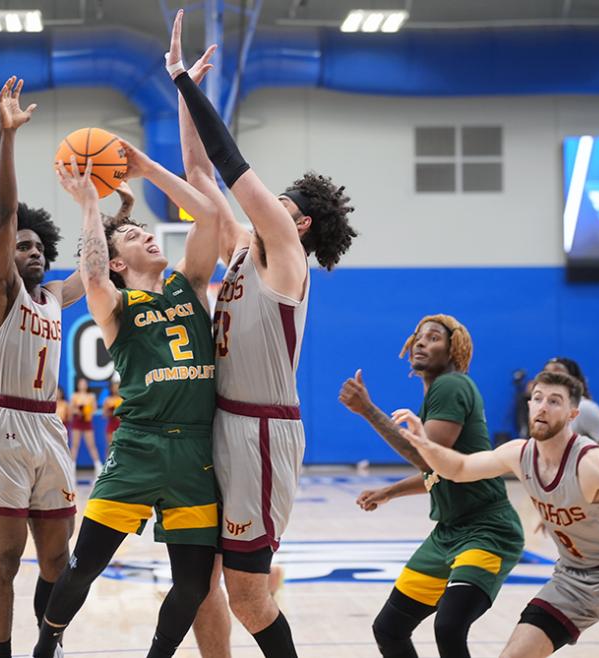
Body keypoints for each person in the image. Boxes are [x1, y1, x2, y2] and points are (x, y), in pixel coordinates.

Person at [166, 12, 357, 658]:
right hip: (221, 423)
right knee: (201, 584)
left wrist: (190, 90)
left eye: (279, 199)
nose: (265, 198)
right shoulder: (244, 249)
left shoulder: (285, 253)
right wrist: (184, 98)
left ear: (297, 221)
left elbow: (231, 164)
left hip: (261, 434)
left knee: (248, 595)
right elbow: (201, 178)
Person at [31, 105, 224, 658]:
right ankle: (49, 640)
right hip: (138, 446)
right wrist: (92, 205)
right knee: (86, 564)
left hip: (194, 450)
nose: (149, 238)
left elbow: (208, 216)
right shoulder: (115, 303)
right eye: (136, 236)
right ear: (119, 262)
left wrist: (143, 166)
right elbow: (90, 273)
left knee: (192, 583)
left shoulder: (188, 283)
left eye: (147, 232)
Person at [393, 369, 599, 658]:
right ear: (528, 405)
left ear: (572, 414)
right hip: (571, 579)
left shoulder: (591, 463)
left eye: (554, 401)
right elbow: (459, 469)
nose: (542, 406)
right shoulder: (519, 453)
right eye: (537, 398)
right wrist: (424, 443)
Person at [0, 76, 86, 658]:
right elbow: (4, 209)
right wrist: (7, 137)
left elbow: (98, 268)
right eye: (22, 244)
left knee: (56, 558)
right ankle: (1, 653)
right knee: (7, 558)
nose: (33, 250)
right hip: (5, 427)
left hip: (48, 425)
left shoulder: (55, 298)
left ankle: (50, 644)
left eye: (40, 245)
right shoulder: (1, 292)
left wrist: (108, 206)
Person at [339, 314, 524, 658]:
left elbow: (427, 458)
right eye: (419, 337)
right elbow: (440, 470)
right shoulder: (438, 395)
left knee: (450, 626)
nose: (422, 342)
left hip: (486, 530)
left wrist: (367, 409)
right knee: (389, 629)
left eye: (434, 337)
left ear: (453, 350)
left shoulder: (451, 386)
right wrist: (389, 492)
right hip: (448, 533)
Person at [543, 357, 599, 469]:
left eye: (557, 371)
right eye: (547, 372)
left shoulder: (584, 408)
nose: (551, 376)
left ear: (573, 380)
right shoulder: (544, 410)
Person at [68, 377, 102, 475]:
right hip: (77, 421)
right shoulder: (74, 396)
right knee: (74, 444)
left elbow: (94, 409)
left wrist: (87, 411)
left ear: (87, 385)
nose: (83, 385)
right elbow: (71, 409)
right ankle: (72, 465)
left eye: (84, 383)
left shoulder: (91, 396)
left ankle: (98, 465)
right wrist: (78, 411)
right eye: (81, 383)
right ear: (78, 385)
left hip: (87, 421)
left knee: (91, 444)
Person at [102, 379, 122, 447]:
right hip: (111, 425)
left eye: (117, 387)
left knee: (122, 446)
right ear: (111, 388)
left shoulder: (123, 399)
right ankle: (108, 458)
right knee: (110, 446)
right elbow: (104, 415)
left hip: (122, 426)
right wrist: (111, 412)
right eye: (114, 387)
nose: (115, 389)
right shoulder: (108, 400)